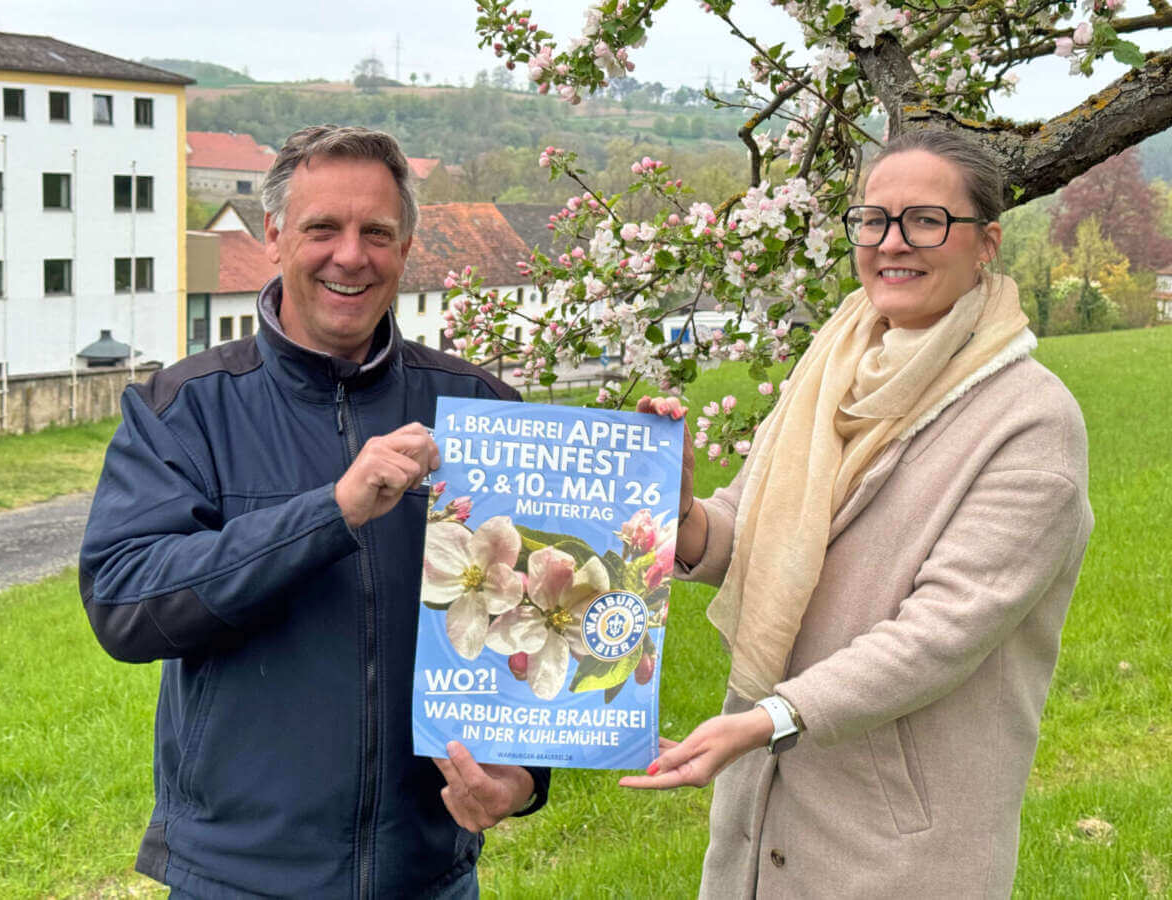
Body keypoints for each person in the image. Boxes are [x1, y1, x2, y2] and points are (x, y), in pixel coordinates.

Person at [79, 126, 548, 899]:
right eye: (322, 228)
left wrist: (523, 780)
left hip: (425, 878)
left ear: (407, 247)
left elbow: (530, 634)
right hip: (237, 877)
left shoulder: (480, 409)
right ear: (273, 235)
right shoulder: (184, 409)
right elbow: (126, 607)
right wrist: (328, 513)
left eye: (377, 233)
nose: (351, 256)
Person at [622, 130, 1093, 897]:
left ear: (986, 244)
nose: (891, 243)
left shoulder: (1031, 422)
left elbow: (942, 632)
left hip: (899, 848)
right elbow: (750, 529)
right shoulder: (831, 366)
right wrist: (682, 514)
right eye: (873, 220)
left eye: (925, 221)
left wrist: (767, 719)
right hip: (761, 820)